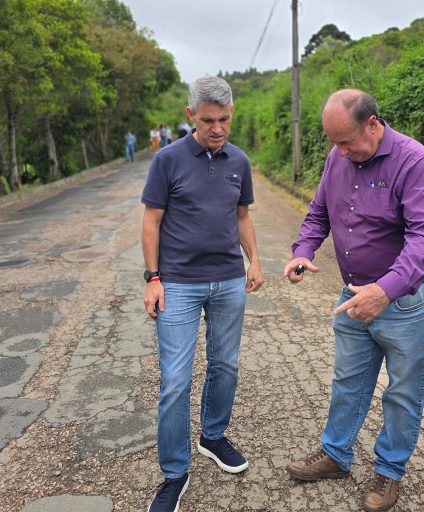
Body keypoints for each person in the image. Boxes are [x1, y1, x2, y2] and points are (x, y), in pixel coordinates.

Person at [283, 89, 424, 512]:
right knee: (348, 381)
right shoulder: (338, 158)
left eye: (347, 141)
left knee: (404, 393)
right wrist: (303, 250)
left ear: (372, 123)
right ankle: (336, 456)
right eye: (334, 143)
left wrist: (385, 290)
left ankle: (389, 473)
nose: (340, 151)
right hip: (353, 295)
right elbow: (319, 213)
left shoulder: (412, 159)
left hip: (403, 302)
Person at [141, 76, 264, 512]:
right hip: (178, 283)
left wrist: (255, 259)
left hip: (228, 280)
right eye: (208, 120)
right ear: (191, 115)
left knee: (225, 366)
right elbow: (151, 220)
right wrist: (152, 278)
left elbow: (242, 215)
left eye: (225, 120)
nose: (217, 128)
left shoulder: (239, 161)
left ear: (233, 114)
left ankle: (212, 435)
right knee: (175, 381)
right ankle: (175, 473)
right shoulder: (168, 160)